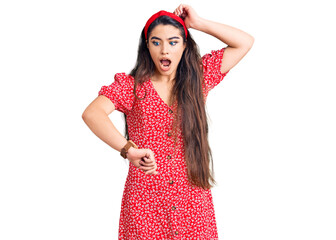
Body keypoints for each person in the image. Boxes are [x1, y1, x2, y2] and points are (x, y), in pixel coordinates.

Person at [82, 3, 254, 239]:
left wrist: (198, 23)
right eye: (156, 42)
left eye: (173, 42)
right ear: (147, 47)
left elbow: (244, 42)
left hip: (192, 203)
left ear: (184, 46)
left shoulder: (199, 79)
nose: (165, 50)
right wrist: (128, 149)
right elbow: (92, 113)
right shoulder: (132, 87)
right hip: (145, 204)